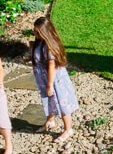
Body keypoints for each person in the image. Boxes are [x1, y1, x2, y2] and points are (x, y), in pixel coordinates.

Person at [31, 15, 78, 143]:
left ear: (45, 33)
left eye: (37, 32)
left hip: (54, 80)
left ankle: (68, 128)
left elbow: (52, 66)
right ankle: (50, 120)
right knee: (48, 100)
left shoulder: (50, 47)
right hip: (45, 78)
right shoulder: (40, 43)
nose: (35, 34)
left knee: (61, 101)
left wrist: (50, 85)